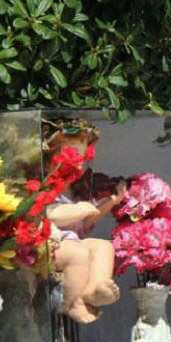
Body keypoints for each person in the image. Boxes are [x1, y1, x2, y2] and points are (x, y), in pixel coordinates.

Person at [44, 119, 125, 324]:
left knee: (103, 246)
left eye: (81, 157)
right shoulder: (45, 187)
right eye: (71, 156)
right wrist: (78, 209)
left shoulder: (72, 190)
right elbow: (50, 214)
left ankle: (94, 290)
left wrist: (112, 202)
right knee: (77, 254)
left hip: (72, 240)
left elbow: (86, 223)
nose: (78, 163)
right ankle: (73, 303)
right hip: (51, 244)